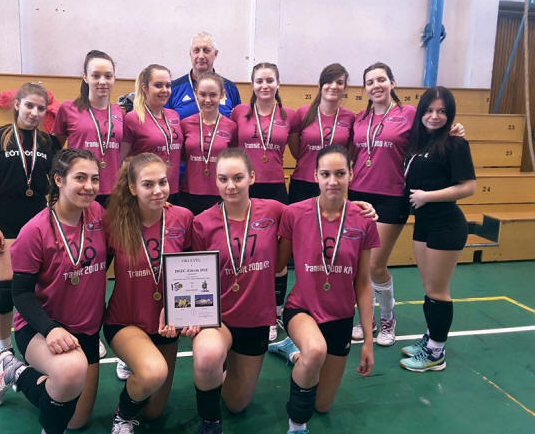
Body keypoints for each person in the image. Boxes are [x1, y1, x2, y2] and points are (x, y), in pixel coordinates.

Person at [0, 148, 108, 434]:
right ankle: (16, 371)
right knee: (70, 374)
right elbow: (21, 294)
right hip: (41, 327)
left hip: (86, 330)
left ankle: (17, 374)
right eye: (80, 178)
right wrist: (50, 329)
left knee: (77, 420)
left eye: (94, 179)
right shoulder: (35, 231)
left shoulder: (98, 216)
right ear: (59, 180)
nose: (89, 186)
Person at [349, 63, 465, 347]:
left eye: (381, 79)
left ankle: (387, 317)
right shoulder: (360, 118)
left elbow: (435, 130)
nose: (375, 85)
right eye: (369, 82)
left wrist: (456, 129)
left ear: (392, 82)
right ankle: (366, 319)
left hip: (392, 196)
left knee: (376, 264)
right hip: (358, 194)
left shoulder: (410, 114)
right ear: (364, 88)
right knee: (359, 264)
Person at [277, 145, 379, 434]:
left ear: (351, 174)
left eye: (340, 174)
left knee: (322, 405)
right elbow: (278, 264)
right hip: (302, 309)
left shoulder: (364, 220)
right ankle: (297, 423)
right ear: (315, 176)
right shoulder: (295, 214)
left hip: (340, 317)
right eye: (325, 174)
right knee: (315, 350)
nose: (333, 181)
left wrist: (368, 340)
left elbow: (363, 282)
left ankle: (293, 354)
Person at [191, 147, 287, 434]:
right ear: (216, 181)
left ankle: (225, 370)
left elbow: (313, 212)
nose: (230, 186)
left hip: (255, 319)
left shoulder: (274, 211)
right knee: (207, 355)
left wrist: (354, 206)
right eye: (223, 179)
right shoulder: (202, 222)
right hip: (216, 318)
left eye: (238, 178)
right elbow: (194, 273)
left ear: (252, 177)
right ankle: (210, 421)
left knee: (236, 404)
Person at [103, 153, 194, 433]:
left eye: (162, 182)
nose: (158, 190)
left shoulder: (183, 218)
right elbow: (94, 273)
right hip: (126, 321)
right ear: (132, 188)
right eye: (148, 184)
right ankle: (122, 415)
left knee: (153, 412)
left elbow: (192, 272)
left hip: (167, 324)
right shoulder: (115, 223)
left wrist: (182, 310)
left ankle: (139, 364)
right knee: (154, 373)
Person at [0, 82, 60, 379]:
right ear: (17, 105)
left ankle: (41, 337)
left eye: (41, 108)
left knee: (40, 289)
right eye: (29, 106)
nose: (35, 113)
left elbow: (56, 185)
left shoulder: (50, 142)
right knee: (5, 292)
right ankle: (4, 350)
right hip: (7, 225)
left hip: (39, 225)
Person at [400, 87, 476, 372]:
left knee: (438, 291)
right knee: (429, 289)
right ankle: (431, 338)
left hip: (446, 224)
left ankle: (435, 354)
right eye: (430, 110)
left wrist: (427, 197)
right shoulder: (421, 142)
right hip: (424, 224)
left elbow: (469, 187)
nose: (435, 116)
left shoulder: (455, 143)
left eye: (442, 111)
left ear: (450, 114)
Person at [53, 50, 123, 207]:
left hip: (113, 191)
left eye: (108, 76)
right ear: (85, 77)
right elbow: (56, 150)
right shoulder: (68, 109)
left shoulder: (120, 112)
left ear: (114, 78)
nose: (102, 81)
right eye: (96, 75)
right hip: (80, 188)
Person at [231, 62, 297, 205]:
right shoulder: (238, 112)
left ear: (278, 84)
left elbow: (297, 153)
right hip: (244, 183)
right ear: (252, 85)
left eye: (270, 80)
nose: (265, 85)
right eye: (259, 81)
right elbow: (232, 149)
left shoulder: (290, 115)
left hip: (276, 185)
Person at [288, 63, 355, 204]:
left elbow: (349, 152)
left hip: (333, 183)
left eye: (339, 83)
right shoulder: (302, 113)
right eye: (329, 81)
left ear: (344, 88)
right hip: (303, 182)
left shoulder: (350, 117)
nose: (334, 86)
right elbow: (296, 152)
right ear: (320, 85)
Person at [122, 64, 183, 204]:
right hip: (148, 191)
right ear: (145, 88)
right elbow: (122, 160)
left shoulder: (174, 115)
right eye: (158, 85)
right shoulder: (133, 118)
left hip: (173, 189)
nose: (164, 90)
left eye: (168, 85)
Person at [180, 72, 237, 215]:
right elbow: (181, 156)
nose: (207, 100)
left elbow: (234, 160)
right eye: (203, 94)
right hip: (189, 193)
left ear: (222, 95)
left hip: (220, 193)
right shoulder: (185, 124)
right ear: (196, 94)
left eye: (213, 95)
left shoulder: (231, 126)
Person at [166, 31, 241, 119]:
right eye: (196, 50)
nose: (201, 56)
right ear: (190, 54)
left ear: (215, 54)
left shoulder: (230, 88)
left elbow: (238, 121)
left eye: (206, 50)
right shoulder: (173, 89)